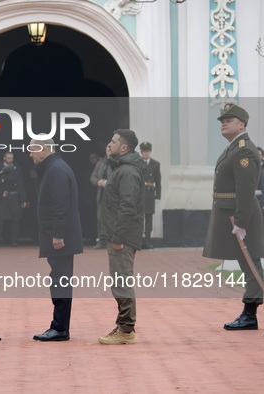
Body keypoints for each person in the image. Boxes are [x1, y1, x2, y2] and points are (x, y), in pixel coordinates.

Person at [203, 104, 264, 331]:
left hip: (239, 216)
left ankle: (250, 314)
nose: (223, 123)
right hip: (229, 215)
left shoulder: (244, 150)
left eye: (229, 119)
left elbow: (246, 189)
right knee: (247, 263)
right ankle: (250, 313)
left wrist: (240, 222)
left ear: (242, 124)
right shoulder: (233, 149)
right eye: (221, 120)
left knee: (251, 263)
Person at [30, 139, 83, 342]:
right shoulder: (54, 167)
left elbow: (62, 205)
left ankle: (60, 328)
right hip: (59, 236)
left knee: (60, 280)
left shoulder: (56, 170)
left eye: (32, 150)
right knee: (59, 279)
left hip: (61, 238)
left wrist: (58, 234)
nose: (30, 154)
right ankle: (59, 326)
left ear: (44, 148)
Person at [98, 129, 145, 345]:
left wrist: (117, 237)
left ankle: (126, 330)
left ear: (124, 147)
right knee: (119, 281)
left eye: (113, 141)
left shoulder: (127, 171)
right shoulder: (122, 168)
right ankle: (123, 326)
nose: (110, 144)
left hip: (123, 238)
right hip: (120, 235)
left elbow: (128, 206)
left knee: (122, 282)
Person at [0, 152, 27, 247]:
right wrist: (0, 192)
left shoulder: (17, 169)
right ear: (4, 158)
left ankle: (14, 240)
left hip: (14, 196)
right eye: (8, 158)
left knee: (16, 218)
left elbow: (21, 184)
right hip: (3, 197)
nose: (10, 160)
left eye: (11, 158)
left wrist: (23, 199)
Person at [139, 141, 161, 249]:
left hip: (149, 194)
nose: (145, 154)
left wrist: (158, 196)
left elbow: (158, 181)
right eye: (143, 151)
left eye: (147, 151)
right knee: (139, 218)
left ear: (150, 152)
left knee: (149, 219)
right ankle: (138, 241)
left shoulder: (155, 164)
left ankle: (147, 240)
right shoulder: (137, 163)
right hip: (139, 193)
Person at [90, 145, 111, 250]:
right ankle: (101, 242)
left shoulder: (119, 163)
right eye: (108, 149)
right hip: (101, 195)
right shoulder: (100, 163)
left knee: (112, 219)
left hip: (113, 196)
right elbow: (92, 177)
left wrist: (109, 182)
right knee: (100, 219)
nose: (109, 151)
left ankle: (111, 242)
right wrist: (99, 182)